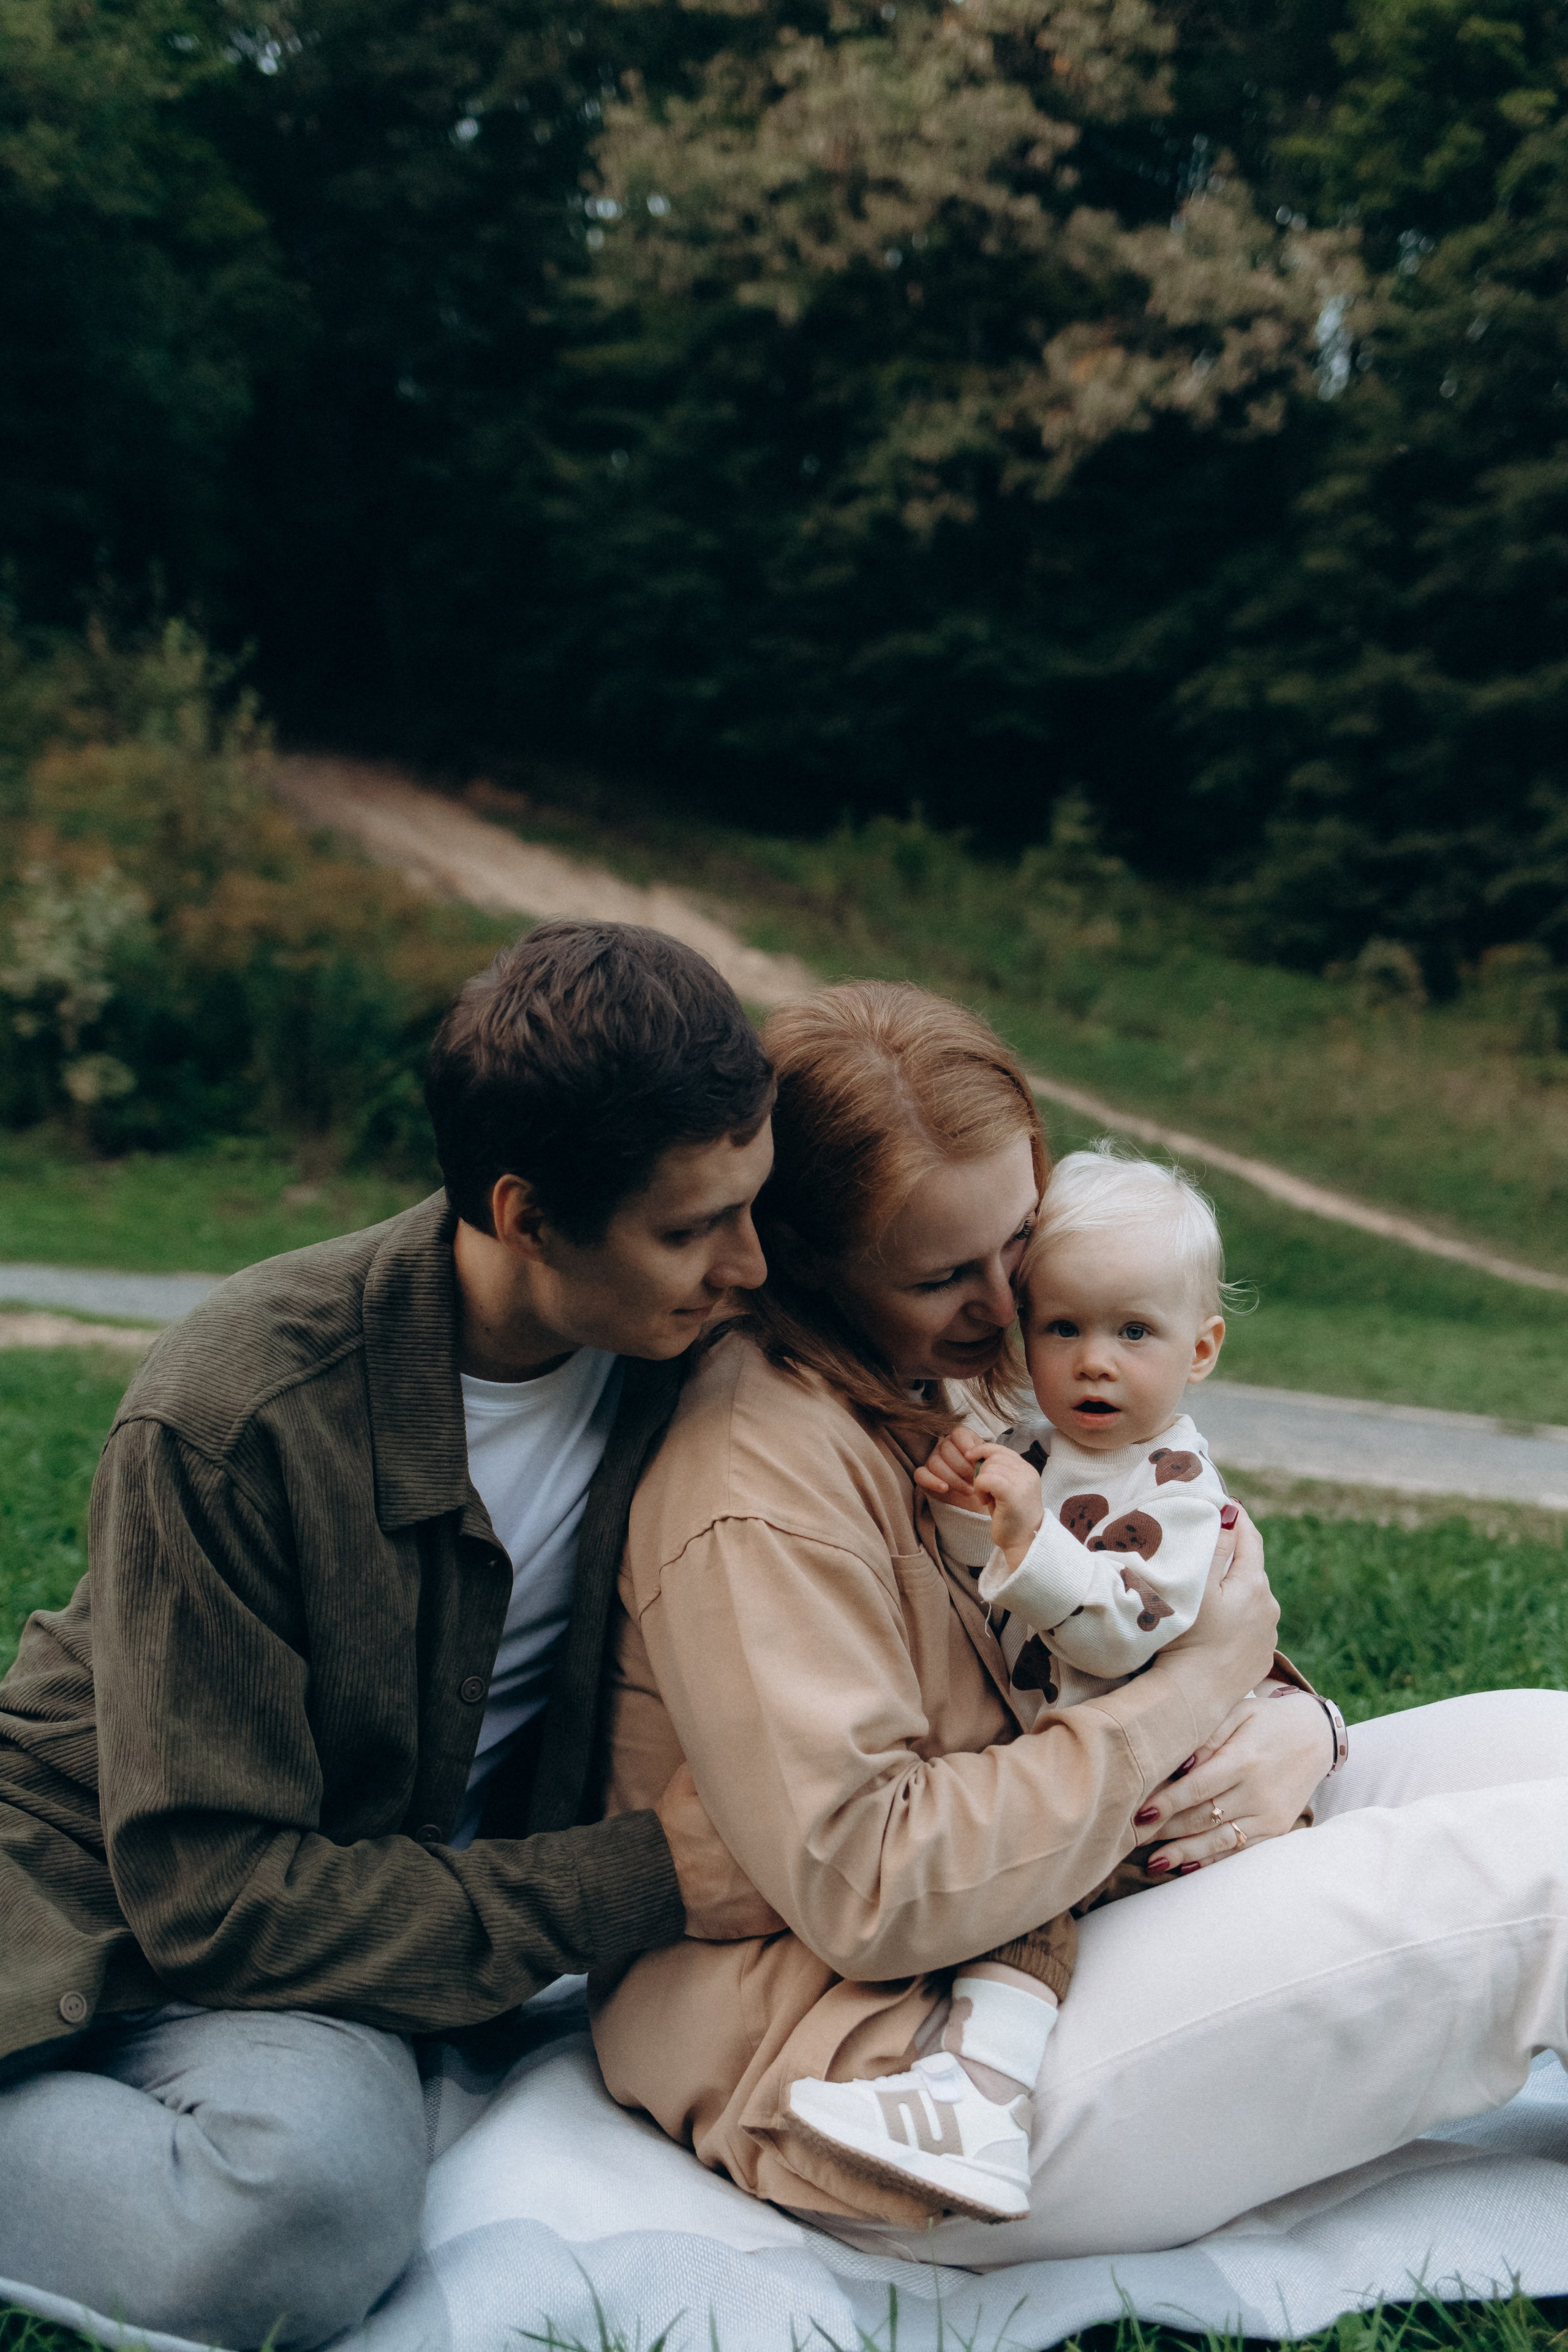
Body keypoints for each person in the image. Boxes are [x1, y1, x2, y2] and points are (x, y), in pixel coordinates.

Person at [590, 976, 1568, 2266]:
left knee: (1548, 1745)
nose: (1009, 1307)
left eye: (1017, 1242)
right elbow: (874, 1887)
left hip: (1065, 1909)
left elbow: (1102, 1629)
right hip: (889, 2069)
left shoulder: (930, 1375)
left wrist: (1295, 1726)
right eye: (945, 1274)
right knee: (1548, 1870)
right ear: (809, 1264)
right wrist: (1190, 1693)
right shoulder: (754, 1482)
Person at [0, 919, 783, 2350]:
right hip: (117, 1880)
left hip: (358, 1912)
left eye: (753, 1205)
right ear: (524, 1215)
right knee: (299, 2213)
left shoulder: (686, 1346)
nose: (747, 1264)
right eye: (687, 1232)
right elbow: (215, 1902)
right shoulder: (237, 1410)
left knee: (316, 2180)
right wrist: (638, 1878)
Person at [786, 1145, 1335, 2220]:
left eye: (1134, 1333)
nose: (1094, 1364)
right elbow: (994, 1567)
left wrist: (1027, 1536)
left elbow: (1121, 1631)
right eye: (1063, 1329)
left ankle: (981, 2103)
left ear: (1201, 1349)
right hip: (1090, 1752)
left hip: (1166, 1772)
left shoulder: (1176, 1487)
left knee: (1027, 1902)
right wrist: (964, 1505)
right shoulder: (1036, 1448)